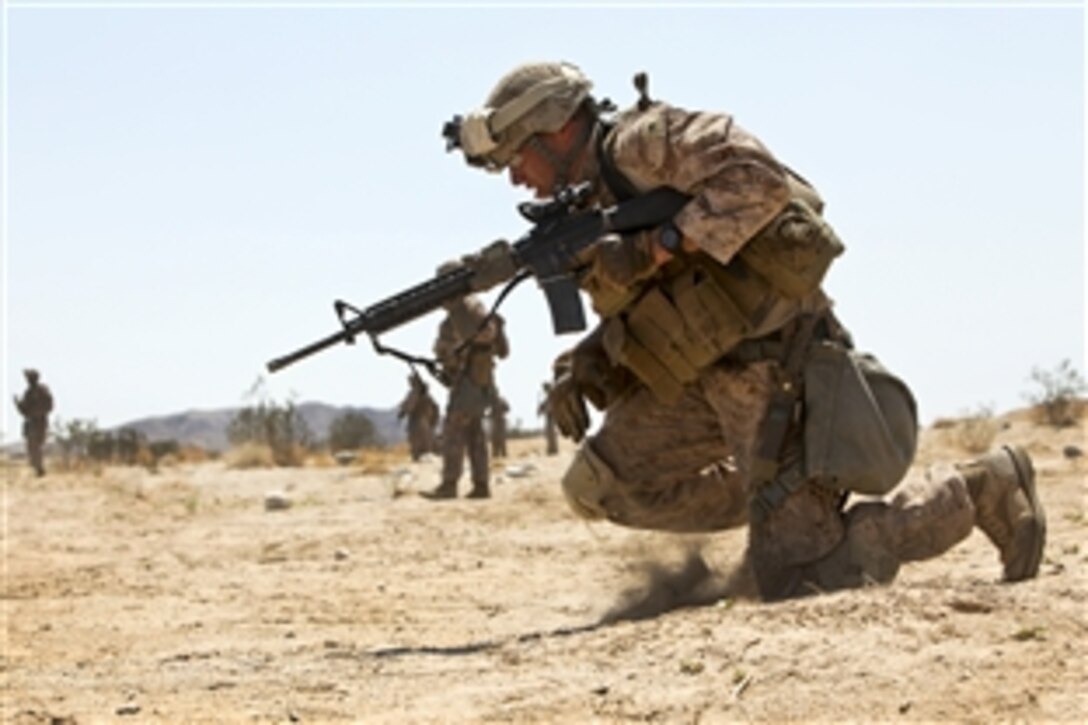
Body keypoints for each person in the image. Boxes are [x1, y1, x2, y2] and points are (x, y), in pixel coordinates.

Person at [444, 61, 1046, 599]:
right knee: (600, 486)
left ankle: (978, 487)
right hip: (697, 384)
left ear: (552, 128)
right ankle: (780, 508)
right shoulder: (584, 206)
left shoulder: (645, 144)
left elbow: (758, 181)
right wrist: (589, 362)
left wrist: (656, 246)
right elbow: (664, 303)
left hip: (775, 368)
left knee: (800, 580)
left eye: (515, 157)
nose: (516, 179)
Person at [422, 280, 509, 500]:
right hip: (484, 384)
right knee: (475, 435)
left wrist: (444, 358)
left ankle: (449, 485)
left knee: (453, 434)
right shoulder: (483, 313)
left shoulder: (457, 317)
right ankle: (481, 485)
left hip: (466, 386)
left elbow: (447, 353)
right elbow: (503, 351)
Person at [13, 368, 53, 477]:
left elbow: (49, 406)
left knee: (35, 445)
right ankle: (38, 467)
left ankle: (39, 468)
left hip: (38, 421)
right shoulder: (30, 392)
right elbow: (24, 411)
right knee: (33, 446)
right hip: (35, 421)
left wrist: (36, 412)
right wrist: (18, 404)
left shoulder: (40, 391)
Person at [397, 371, 440, 461]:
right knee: (426, 444)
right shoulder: (428, 397)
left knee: (417, 445)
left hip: (417, 422)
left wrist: (402, 412)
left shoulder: (415, 393)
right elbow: (436, 410)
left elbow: (409, 405)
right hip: (426, 424)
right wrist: (432, 423)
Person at [538, 381, 559, 456]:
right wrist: (540, 409)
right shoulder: (548, 398)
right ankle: (550, 449)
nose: (545, 391)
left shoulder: (553, 396)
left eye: (545, 389)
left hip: (552, 416)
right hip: (548, 416)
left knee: (552, 432)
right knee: (548, 433)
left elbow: (552, 406)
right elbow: (543, 407)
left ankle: (554, 450)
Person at [489, 392, 509, 459]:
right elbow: (489, 413)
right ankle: (496, 456)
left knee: (502, 441)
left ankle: (503, 456)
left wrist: (501, 407)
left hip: (500, 422)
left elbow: (507, 409)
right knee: (495, 441)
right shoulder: (491, 402)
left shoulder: (502, 401)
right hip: (495, 423)